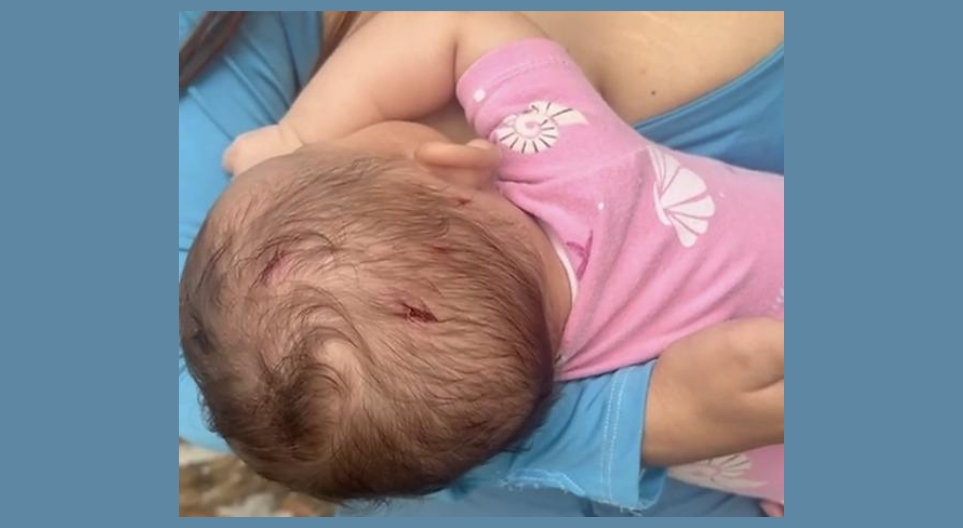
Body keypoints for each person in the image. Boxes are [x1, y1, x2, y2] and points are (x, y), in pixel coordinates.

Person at [179, 11, 784, 516]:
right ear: (449, 166)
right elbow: (453, 25)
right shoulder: (573, 161)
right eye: (341, 154)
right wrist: (296, 138)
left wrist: (637, 426)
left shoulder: (573, 389)